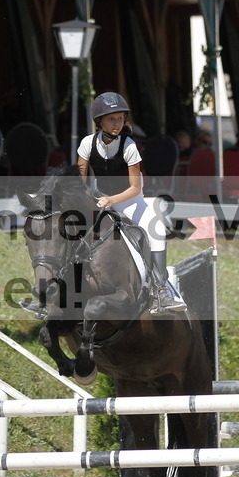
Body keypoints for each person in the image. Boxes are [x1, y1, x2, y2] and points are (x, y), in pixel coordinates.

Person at [78, 92, 185, 315]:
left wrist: (111, 200)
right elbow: (80, 181)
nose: (116, 124)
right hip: (100, 201)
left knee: (156, 228)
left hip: (130, 202)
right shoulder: (87, 143)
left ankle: (161, 290)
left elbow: (135, 188)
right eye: (111, 119)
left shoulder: (129, 145)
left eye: (120, 118)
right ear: (99, 121)